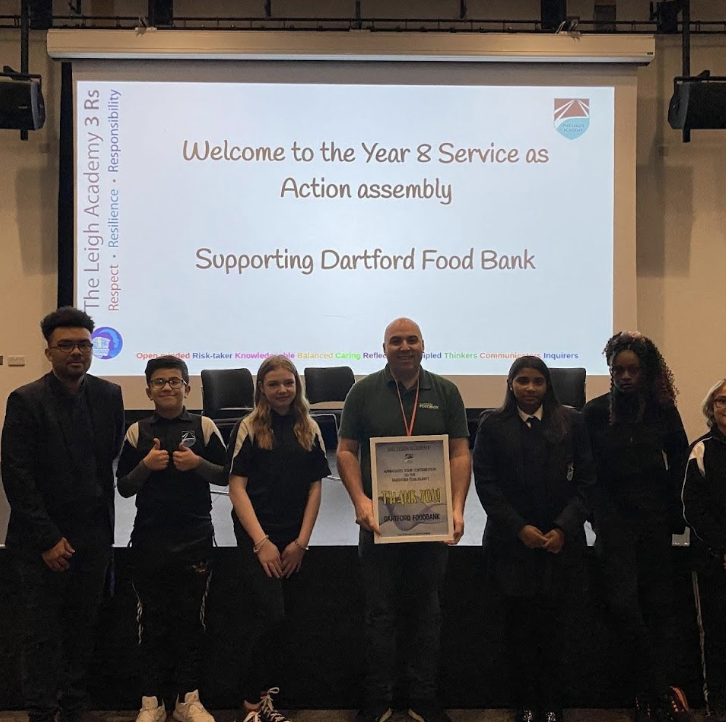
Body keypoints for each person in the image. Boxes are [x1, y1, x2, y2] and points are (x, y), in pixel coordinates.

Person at [337, 317, 471, 722]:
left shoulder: (446, 392)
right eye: (396, 341)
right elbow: (345, 451)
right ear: (384, 349)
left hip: (431, 525)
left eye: (411, 339)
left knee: (427, 613)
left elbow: (461, 453)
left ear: (423, 345)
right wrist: (360, 500)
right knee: (380, 615)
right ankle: (379, 698)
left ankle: (422, 697)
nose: (404, 346)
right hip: (379, 525)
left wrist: (457, 508)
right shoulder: (362, 393)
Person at [1, 307, 125, 722]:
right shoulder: (25, 400)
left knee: (81, 628)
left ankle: (73, 707)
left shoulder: (109, 396)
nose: (77, 352)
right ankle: (40, 711)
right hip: (41, 542)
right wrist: (48, 539)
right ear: (49, 351)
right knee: (40, 634)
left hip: (92, 537)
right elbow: (17, 477)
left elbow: (105, 461)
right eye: (66, 345)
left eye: (84, 345)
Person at [473, 356, 595, 722]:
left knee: (556, 629)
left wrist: (563, 528)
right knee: (519, 630)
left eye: (537, 381)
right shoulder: (492, 425)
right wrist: (518, 528)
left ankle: (554, 703)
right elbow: (488, 486)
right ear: (510, 384)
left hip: (561, 547)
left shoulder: (572, 421)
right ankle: (525, 703)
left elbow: (587, 483)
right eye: (522, 381)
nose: (530, 388)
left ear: (548, 385)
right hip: (512, 546)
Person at [582, 331, 691, 722]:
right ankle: (654, 687)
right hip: (613, 525)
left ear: (646, 372)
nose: (625, 377)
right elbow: (586, 472)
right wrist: (595, 515)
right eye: (618, 370)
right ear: (610, 371)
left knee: (660, 608)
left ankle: (654, 695)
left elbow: (680, 463)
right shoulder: (594, 413)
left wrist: (674, 515)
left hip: (654, 522)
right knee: (624, 606)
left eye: (633, 370)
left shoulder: (664, 410)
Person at [116, 356, 227, 722]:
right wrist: (145, 467)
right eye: (160, 382)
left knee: (191, 622)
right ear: (148, 390)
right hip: (149, 541)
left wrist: (198, 465)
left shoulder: (204, 426)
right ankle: (152, 702)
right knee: (151, 622)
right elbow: (125, 487)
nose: (167, 387)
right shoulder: (137, 431)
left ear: (187, 387)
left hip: (195, 539)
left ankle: (187, 700)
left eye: (174, 381)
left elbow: (226, 476)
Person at [227, 355, 329, 722]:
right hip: (258, 537)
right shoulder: (249, 426)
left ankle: (270, 697)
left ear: (297, 386)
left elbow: (316, 488)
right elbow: (236, 488)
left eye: (288, 383)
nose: (282, 390)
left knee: (287, 621)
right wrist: (261, 543)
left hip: (292, 539)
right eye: (274, 384)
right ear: (262, 389)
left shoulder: (310, 427)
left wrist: (301, 542)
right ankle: (251, 703)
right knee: (269, 615)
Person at [682, 378, 726, 721]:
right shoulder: (701, 450)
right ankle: (718, 704)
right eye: (722, 401)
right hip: (713, 559)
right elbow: (693, 509)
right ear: (711, 409)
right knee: (715, 632)